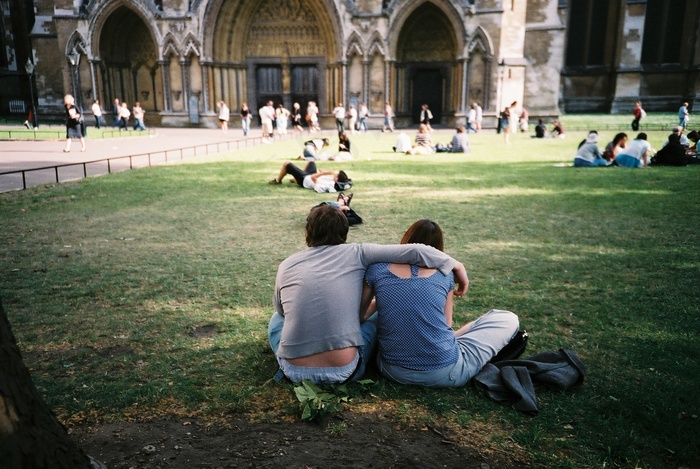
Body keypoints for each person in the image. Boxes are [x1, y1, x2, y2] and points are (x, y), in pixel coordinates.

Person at [267, 205, 469, 384]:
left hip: (293, 372)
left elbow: (282, 310)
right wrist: (456, 265)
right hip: (344, 371)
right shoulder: (359, 253)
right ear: (345, 233)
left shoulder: (287, 264)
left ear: (307, 232)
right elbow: (415, 251)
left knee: (277, 319)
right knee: (373, 320)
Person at [360, 219, 518, 388]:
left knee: (379, 315)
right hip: (445, 373)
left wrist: (386, 299)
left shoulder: (378, 270)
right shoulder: (445, 273)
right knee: (507, 318)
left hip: (392, 371)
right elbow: (447, 324)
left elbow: (361, 314)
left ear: (406, 240)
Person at [268, 160, 348, 193]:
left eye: (336, 175)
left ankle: (278, 181)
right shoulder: (332, 180)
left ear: (337, 179)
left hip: (305, 180)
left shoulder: (328, 184)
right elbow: (320, 170)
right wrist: (326, 172)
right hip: (307, 175)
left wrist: (326, 173)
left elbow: (313, 177)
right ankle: (296, 178)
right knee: (311, 162)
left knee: (287, 164)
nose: (335, 175)